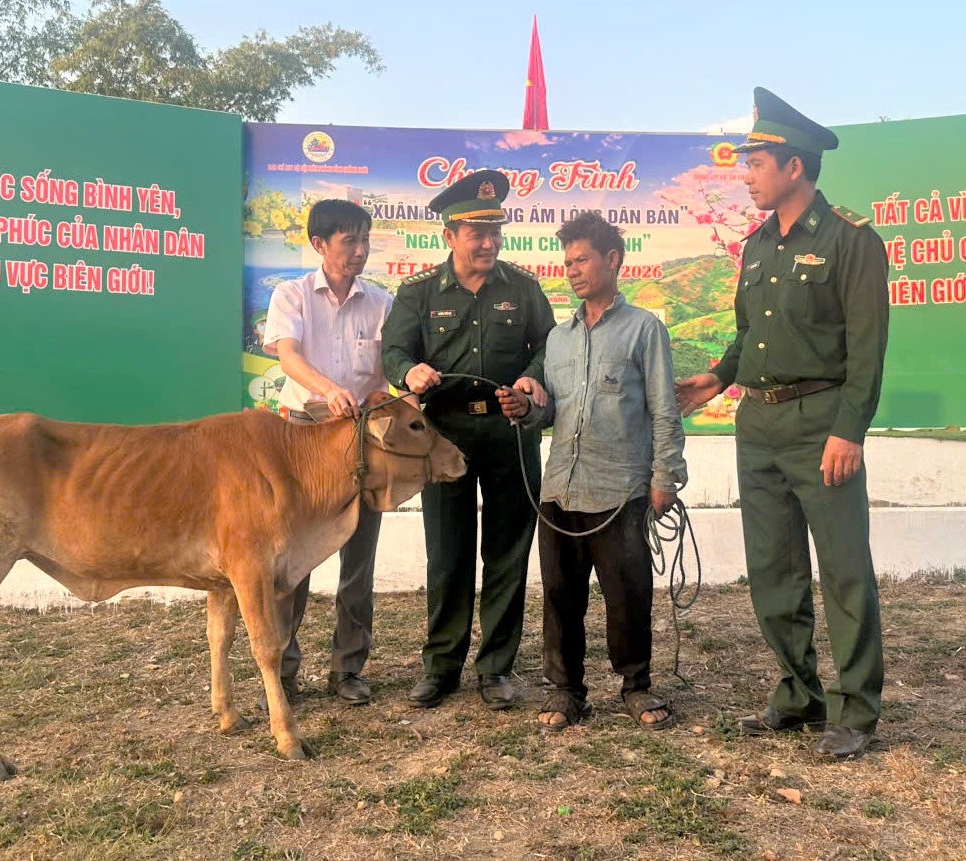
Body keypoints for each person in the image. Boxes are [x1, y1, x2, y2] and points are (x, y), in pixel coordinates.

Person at [676, 87, 890, 758]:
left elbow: (867, 348)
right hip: (759, 425)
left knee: (845, 571)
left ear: (793, 165)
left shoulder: (852, 240)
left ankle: (855, 712)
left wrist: (849, 430)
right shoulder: (759, 245)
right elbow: (750, 334)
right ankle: (799, 694)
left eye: (756, 161)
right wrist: (717, 375)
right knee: (773, 572)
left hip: (822, 421)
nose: (746, 174)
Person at [498, 211, 687, 733]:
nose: (572, 270)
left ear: (613, 260)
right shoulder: (557, 340)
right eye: (567, 262)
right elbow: (551, 412)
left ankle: (636, 686)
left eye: (582, 260)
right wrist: (526, 411)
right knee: (560, 595)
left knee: (627, 593)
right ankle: (566, 690)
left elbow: (664, 410)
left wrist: (665, 477)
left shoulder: (644, 330)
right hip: (560, 486)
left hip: (619, 488)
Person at [380, 169, 555, 710]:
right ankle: (441, 666)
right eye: (475, 232)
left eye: (494, 231)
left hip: (508, 433)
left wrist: (532, 380)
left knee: (507, 553)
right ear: (449, 236)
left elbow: (551, 348)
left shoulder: (523, 289)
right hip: (444, 436)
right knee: (448, 554)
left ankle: (497, 668)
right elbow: (392, 352)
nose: (488, 242)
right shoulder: (419, 294)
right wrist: (408, 373)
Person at [261, 198, 394, 707]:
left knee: (359, 560)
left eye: (364, 240)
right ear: (319, 245)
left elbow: (387, 372)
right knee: (290, 564)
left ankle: (348, 669)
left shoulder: (381, 303)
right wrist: (327, 390)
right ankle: (283, 669)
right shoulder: (291, 295)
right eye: (348, 242)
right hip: (301, 437)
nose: (359, 251)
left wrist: (385, 394)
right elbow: (289, 355)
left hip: (360, 439)